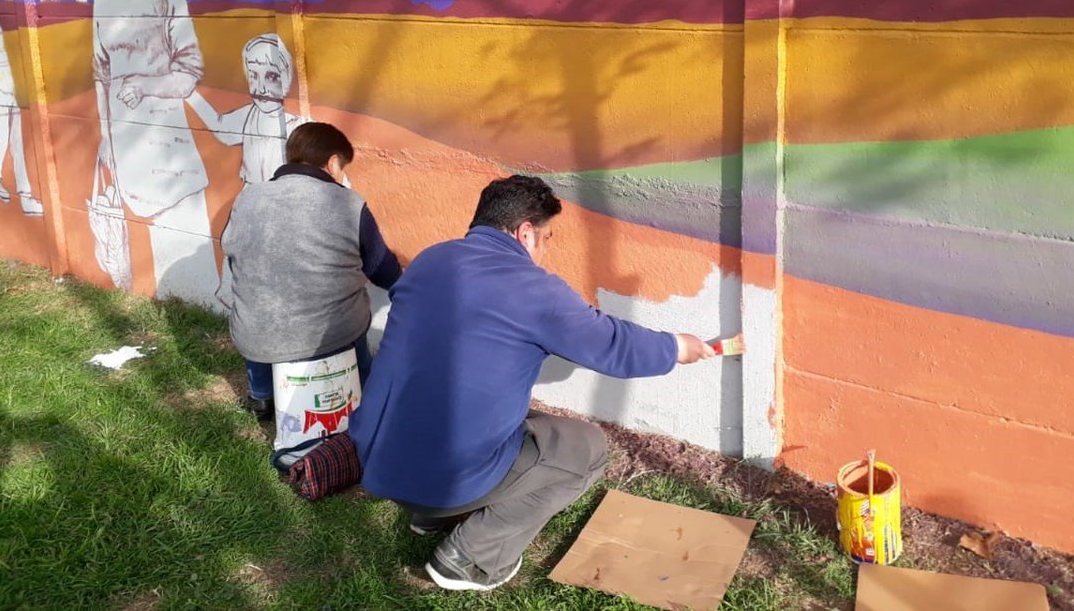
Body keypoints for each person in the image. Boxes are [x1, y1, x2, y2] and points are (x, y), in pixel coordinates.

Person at [350, 175, 716, 592]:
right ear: (526, 232)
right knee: (586, 449)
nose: (544, 251)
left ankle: (430, 516)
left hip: (378, 460)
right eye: (546, 239)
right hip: (441, 477)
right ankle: (470, 557)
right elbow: (612, 344)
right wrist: (674, 347)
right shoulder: (532, 288)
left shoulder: (432, 261)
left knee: (488, 407)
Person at [218, 122, 401, 422]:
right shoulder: (349, 204)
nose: (342, 176)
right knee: (351, 320)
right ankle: (360, 390)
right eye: (343, 167)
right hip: (330, 340)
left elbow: (232, 252)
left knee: (262, 317)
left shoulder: (247, 197)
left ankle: (262, 396)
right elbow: (382, 270)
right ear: (332, 162)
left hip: (257, 336)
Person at [91, 0, 218, 304]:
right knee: (153, 276)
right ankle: (171, 311)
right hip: (127, 150)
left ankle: (202, 312)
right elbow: (100, 75)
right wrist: (106, 139)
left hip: (168, 149)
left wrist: (145, 84)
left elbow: (189, 70)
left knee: (189, 262)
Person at [186, 33, 304, 187]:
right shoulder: (249, 115)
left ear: (286, 79)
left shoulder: (296, 125)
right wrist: (190, 93)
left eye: (271, 77)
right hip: (251, 196)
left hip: (279, 199)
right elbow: (221, 127)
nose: (261, 88)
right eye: (254, 76)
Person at [0, 18, 43, 216]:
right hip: (3, 83)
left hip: (12, 80)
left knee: (18, 140)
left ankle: (25, 196)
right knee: (1, 134)